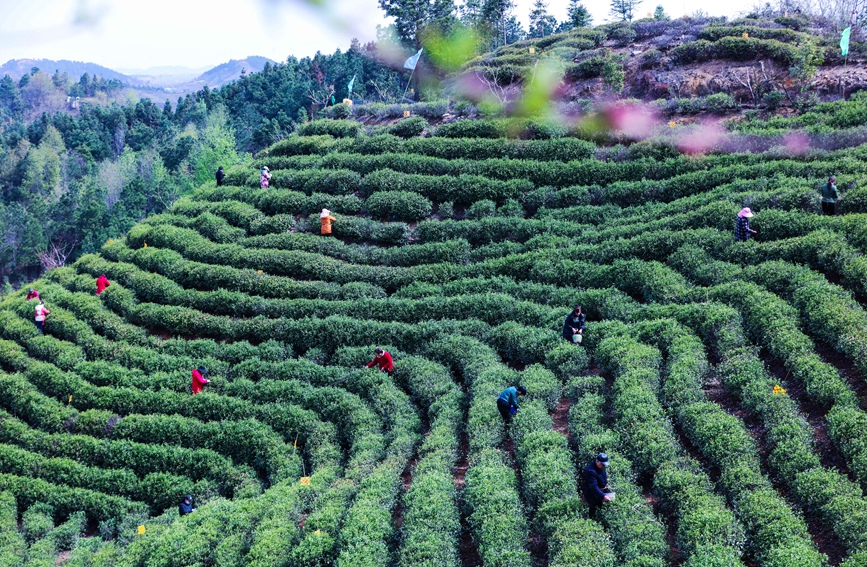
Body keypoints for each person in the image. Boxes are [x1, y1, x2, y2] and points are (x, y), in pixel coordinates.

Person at [583, 452, 612, 519]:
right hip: (592, 495)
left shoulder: (601, 466)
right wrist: (603, 496)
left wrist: (607, 492)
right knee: (593, 511)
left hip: (601, 491)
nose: (604, 466)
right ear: (597, 461)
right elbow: (594, 487)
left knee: (601, 509)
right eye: (602, 464)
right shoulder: (591, 471)